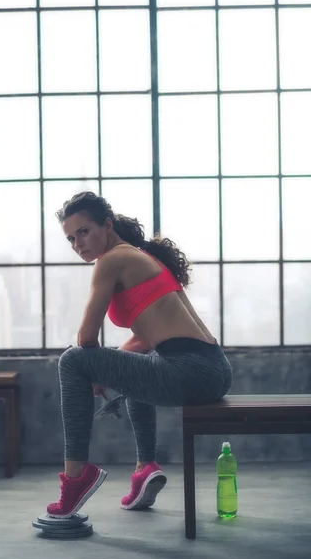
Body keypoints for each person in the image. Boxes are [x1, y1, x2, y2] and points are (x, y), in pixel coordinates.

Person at [46, 191, 232, 518]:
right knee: (138, 370)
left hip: (189, 369)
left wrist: (94, 372)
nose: (78, 244)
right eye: (71, 239)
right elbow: (143, 340)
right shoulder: (141, 257)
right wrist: (108, 371)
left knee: (71, 360)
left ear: (107, 225)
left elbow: (86, 338)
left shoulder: (112, 260)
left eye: (84, 232)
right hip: (213, 366)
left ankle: (76, 479)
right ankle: (145, 468)